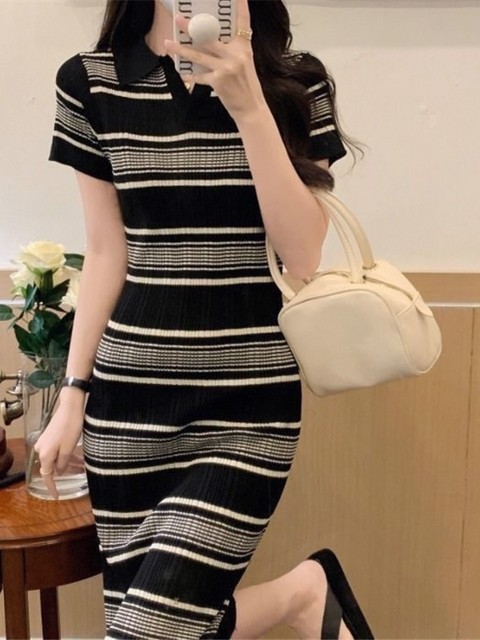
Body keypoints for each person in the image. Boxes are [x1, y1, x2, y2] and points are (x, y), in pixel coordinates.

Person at [35, 0, 373, 638]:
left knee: (150, 630)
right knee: (159, 624)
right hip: (128, 410)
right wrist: (72, 395)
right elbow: (107, 251)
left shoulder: (295, 82)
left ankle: (302, 595)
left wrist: (249, 104)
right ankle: (302, 594)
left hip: (248, 409)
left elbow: (302, 254)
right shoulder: (91, 81)